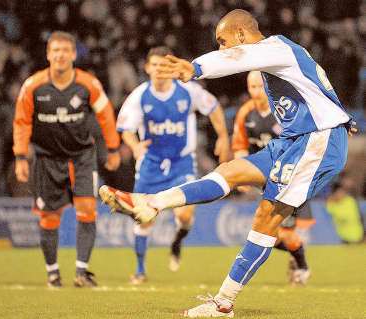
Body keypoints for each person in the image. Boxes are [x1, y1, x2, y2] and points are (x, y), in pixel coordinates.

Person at [99, 9, 356, 317]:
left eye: (222, 41)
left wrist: (194, 67)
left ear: (240, 35)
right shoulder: (280, 55)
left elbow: (234, 59)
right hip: (294, 140)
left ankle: (223, 303)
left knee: (267, 217)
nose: (222, 48)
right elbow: (318, 88)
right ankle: (150, 203)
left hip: (316, 140)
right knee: (229, 171)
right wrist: (342, 115)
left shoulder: (275, 48)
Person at [13, 31, 121, 288]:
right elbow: (21, 121)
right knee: (49, 218)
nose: (60, 55)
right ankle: (53, 273)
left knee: (87, 211)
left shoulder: (89, 84)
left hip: (82, 157)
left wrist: (114, 149)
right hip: (47, 159)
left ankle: (81, 272)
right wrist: (20, 156)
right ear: (48, 55)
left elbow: (106, 115)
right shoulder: (33, 86)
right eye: (55, 50)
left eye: (65, 50)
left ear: (73, 54)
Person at [116, 46, 230, 283]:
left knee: (186, 215)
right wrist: (135, 146)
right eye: (155, 65)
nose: (159, 70)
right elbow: (126, 129)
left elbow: (213, 107)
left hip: (182, 163)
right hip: (151, 165)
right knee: (143, 218)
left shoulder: (188, 91)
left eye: (164, 65)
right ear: (147, 68)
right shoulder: (139, 96)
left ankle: (177, 240)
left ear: (171, 68)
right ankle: (140, 270)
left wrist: (222, 136)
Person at [232, 71, 310, 285]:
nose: (255, 92)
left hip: (289, 177)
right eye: (251, 87)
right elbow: (240, 147)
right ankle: (299, 263)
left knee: (277, 234)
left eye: (259, 86)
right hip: (265, 179)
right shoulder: (245, 113)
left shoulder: (283, 110)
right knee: (270, 235)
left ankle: (301, 267)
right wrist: (242, 175)